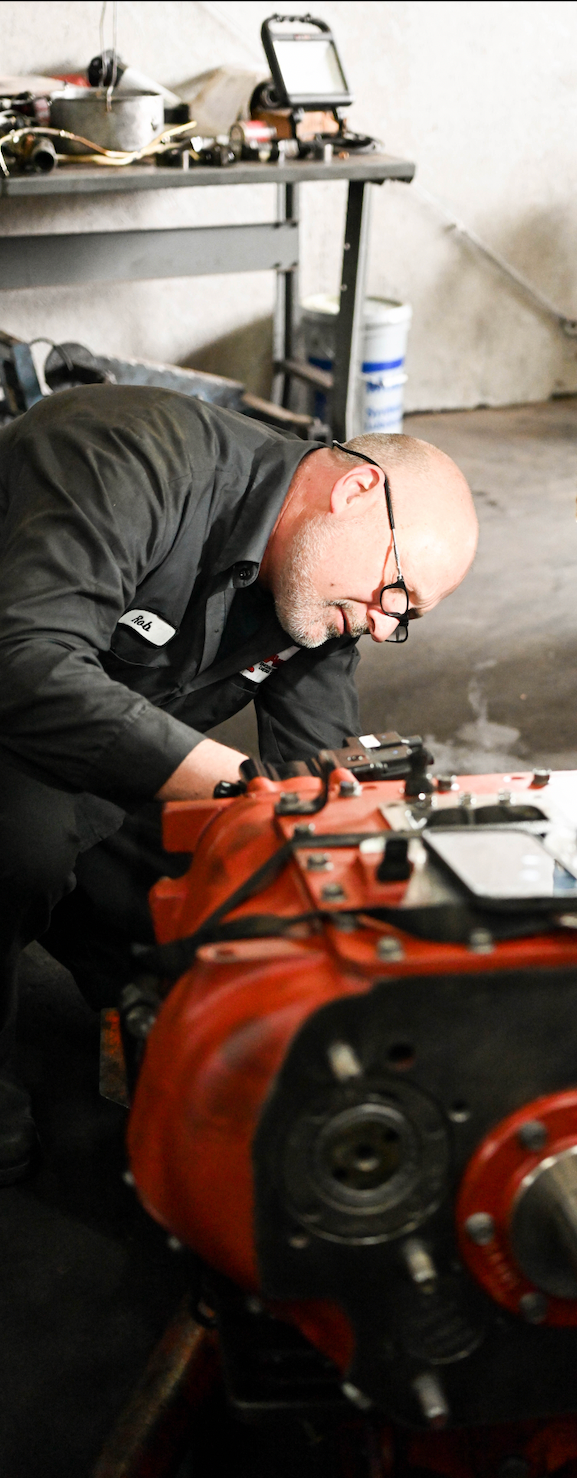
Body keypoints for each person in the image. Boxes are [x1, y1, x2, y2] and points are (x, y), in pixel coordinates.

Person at [0, 384, 478, 1183]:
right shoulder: (128, 454)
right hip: (15, 698)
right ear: (358, 492)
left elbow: (309, 790)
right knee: (25, 849)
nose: (383, 624)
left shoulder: (320, 594)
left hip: (86, 751)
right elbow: (26, 663)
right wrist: (236, 783)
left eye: (408, 619)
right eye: (397, 593)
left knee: (212, 910)